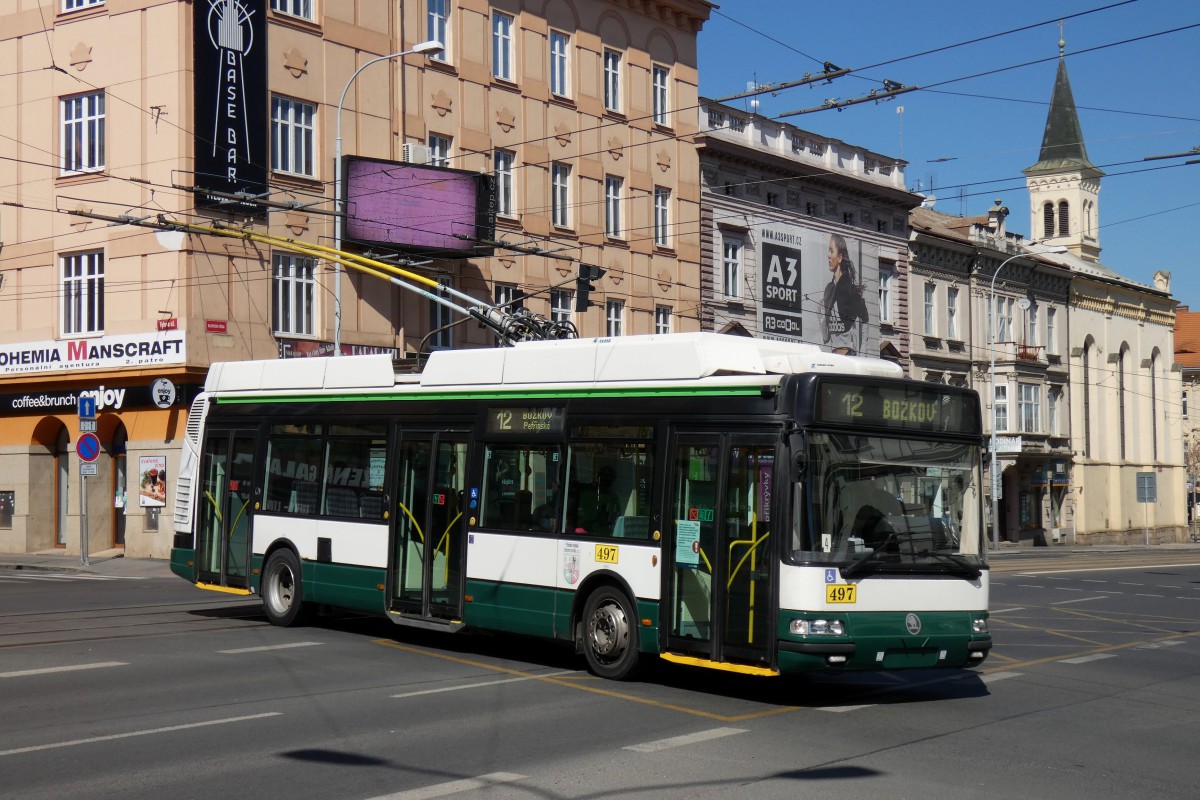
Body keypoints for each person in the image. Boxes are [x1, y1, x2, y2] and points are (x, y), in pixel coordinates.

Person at [820, 233, 869, 355]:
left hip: (849, 355)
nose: (828, 256)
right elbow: (825, 337)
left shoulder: (851, 290)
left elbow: (865, 320)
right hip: (833, 355)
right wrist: (820, 314)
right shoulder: (828, 289)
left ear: (840, 257)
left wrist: (862, 353)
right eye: (828, 251)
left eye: (832, 251)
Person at [575, 466, 620, 534]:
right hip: (586, 532)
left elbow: (614, 518)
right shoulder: (586, 494)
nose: (606, 481)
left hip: (603, 534)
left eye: (608, 479)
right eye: (605, 478)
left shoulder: (613, 498)